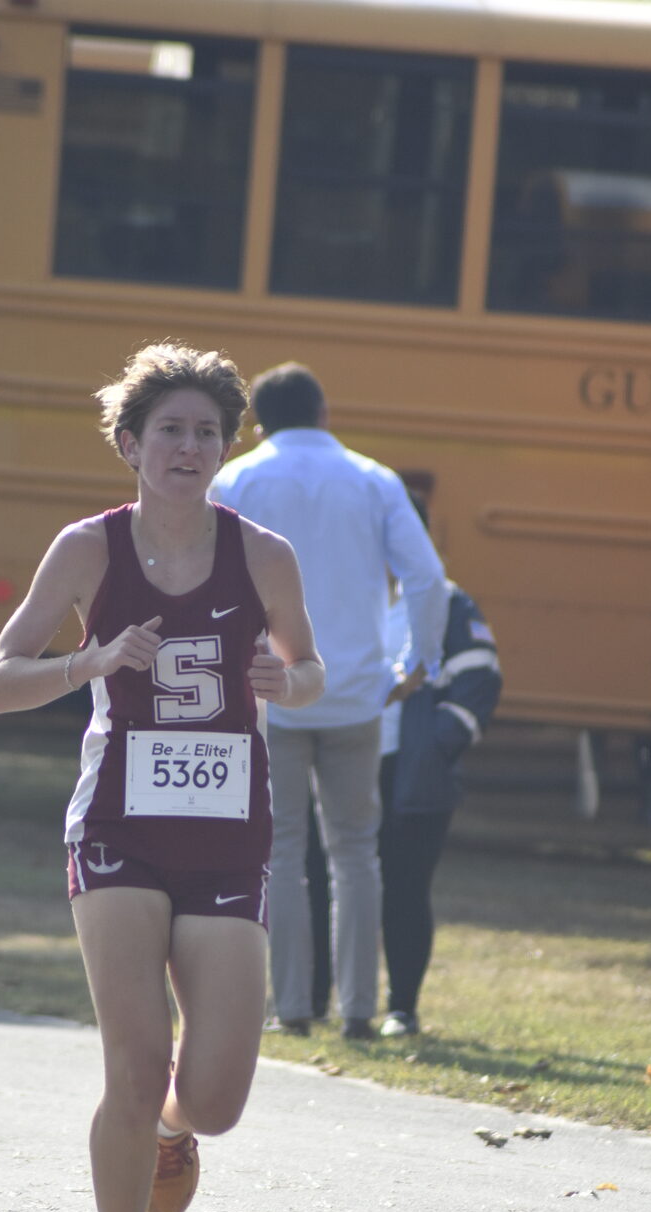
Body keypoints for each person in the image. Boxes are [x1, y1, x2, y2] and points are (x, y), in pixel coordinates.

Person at [0, 343, 324, 1212]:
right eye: (169, 429)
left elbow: (313, 674)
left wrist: (281, 679)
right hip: (119, 828)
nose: (189, 446)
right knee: (133, 1062)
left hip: (228, 834)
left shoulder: (264, 554)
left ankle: (175, 1133)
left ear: (228, 446)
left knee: (210, 1097)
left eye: (207, 431)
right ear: (129, 444)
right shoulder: (89, 549)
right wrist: (90, 660)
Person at [212, 363, 447, 1041]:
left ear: (257, 421)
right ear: (323, 412)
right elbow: (426, 576)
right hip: (355, 695)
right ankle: (359, 1010)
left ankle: (290, 1007)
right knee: (356, 853)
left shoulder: (239, 478)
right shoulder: (374, 479)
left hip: (270, 693)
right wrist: (418, 664)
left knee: (279, 849)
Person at [378, 496, 502, 1036]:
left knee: (405, 889)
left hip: (412, 770)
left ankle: (401, 1007)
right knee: (331, 883)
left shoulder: (447, 601)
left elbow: (481, 677)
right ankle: (319, 1002)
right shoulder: (345, 596)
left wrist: (435, 743)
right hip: (345, 759)